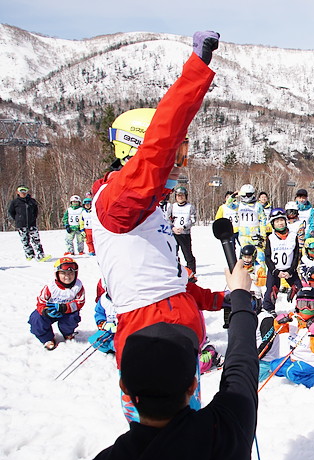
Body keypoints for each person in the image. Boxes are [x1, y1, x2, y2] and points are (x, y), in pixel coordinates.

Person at [91, 31, 218, 372]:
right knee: (162, 426)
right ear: (138, 150)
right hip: (153, 334)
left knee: (187, 424)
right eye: (176, 152)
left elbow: (167, 282)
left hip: (175, 329)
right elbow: (160, 141)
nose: (179, 162)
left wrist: (223, 300)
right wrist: (196, 70)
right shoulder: (119, 202)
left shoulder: (145, 206)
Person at [79, 258, 259, 460]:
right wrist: (241, 294)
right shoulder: (224, 428)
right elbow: (242, 361)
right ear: (193, 384)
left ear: (123, 386)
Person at [268, 287, 314, 388]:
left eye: (310, 305)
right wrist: (279, 321)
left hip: (310, 362)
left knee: (290, 372)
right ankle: (296, 371)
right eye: (301, 304)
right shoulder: (294, 318)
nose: (305, 309)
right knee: (274, 366)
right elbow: (280, 330)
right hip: (294, 358)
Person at [28, 256, 85, 350]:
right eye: (63, 273)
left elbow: (80, 302)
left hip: (67, 312)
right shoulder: (51, 287)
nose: (67, 276)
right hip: (51, 311)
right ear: (57, 274)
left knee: (72, 318)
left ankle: (68, 333)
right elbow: (41, 301)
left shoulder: (77, 287)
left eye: (71, 273)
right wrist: (45, 311)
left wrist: (65, 307)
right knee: (36, 319)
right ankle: (47, 338)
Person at [263, 208, 302, 314]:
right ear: (272, 224)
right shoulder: (270, 238)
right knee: (270, 292)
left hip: (290, 270)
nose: (280, 223)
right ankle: (268, 310)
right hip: (275, 271)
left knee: (300, 289)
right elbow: (267, 257)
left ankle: (302, 308)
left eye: (281, 220)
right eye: (276, 221)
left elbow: (296, 255)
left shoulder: (293, 236)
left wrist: (291, 270)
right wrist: (275, 271)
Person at [7, 185, 50, 261]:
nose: (23, 193)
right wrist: (18, 219)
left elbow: (36, 211)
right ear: (18, 192)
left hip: (32, 224)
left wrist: (33, 218)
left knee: (36, 240)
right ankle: (29, 255)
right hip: (21, 225)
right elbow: (11, 212)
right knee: (25, 240)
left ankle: (40, 255)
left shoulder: (32, 201)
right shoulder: (15, 202)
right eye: (21, 191)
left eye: (24, 191)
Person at [166, 185, 198, 273]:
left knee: (187, 254)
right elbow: (168, 219)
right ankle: (176, 270)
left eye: (182, 195)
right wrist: (173, 228)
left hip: (185, 234)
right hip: (174, 234)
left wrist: (183, 227)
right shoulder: (172, 206)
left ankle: (191, 272)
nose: (180, 197)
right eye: (178, 195)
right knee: (174, 253)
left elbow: (193, 220)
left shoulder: (190, 207)